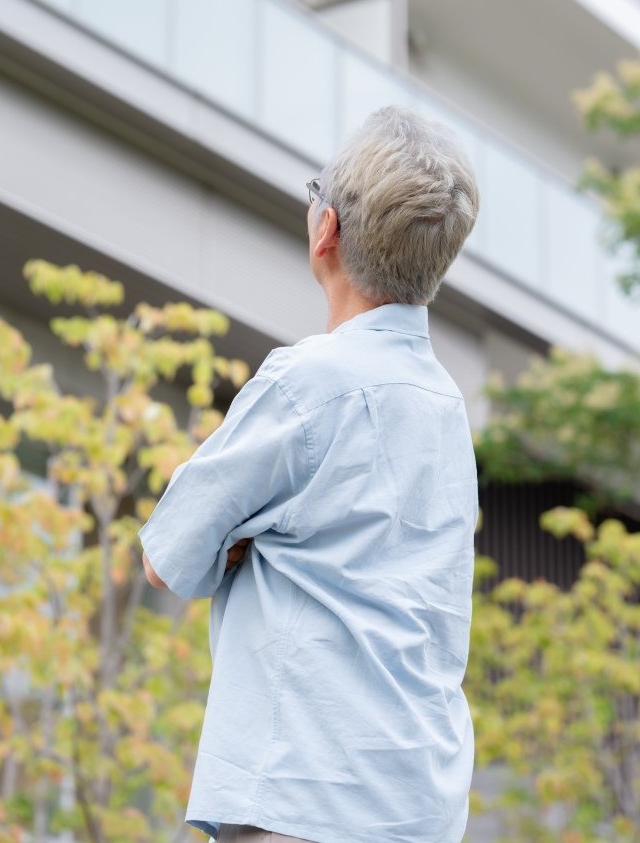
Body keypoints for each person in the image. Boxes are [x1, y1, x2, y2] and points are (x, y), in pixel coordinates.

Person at [138, 105, 480, 843]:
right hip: (419, 807)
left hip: (305, 795)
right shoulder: (447, 408)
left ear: (326, 229)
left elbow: (167, 556)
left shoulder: (306, 382)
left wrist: (240, 543)